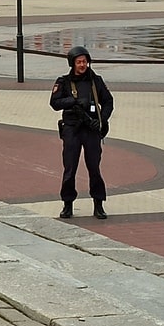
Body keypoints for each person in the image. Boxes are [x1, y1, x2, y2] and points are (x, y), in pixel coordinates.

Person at [49, 45, 114, 220]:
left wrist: (102, 120)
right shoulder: (63, 82)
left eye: (84, 61)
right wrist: (74, 101)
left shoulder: (95, 81)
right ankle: (67, 204)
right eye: (79, 62)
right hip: (72, 130)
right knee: (70, 168)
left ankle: (98, 203)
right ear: (72, 63)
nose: (82, 65)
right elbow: (54, 103)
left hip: (91, 130)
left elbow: (108, 101)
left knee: (94, 168)